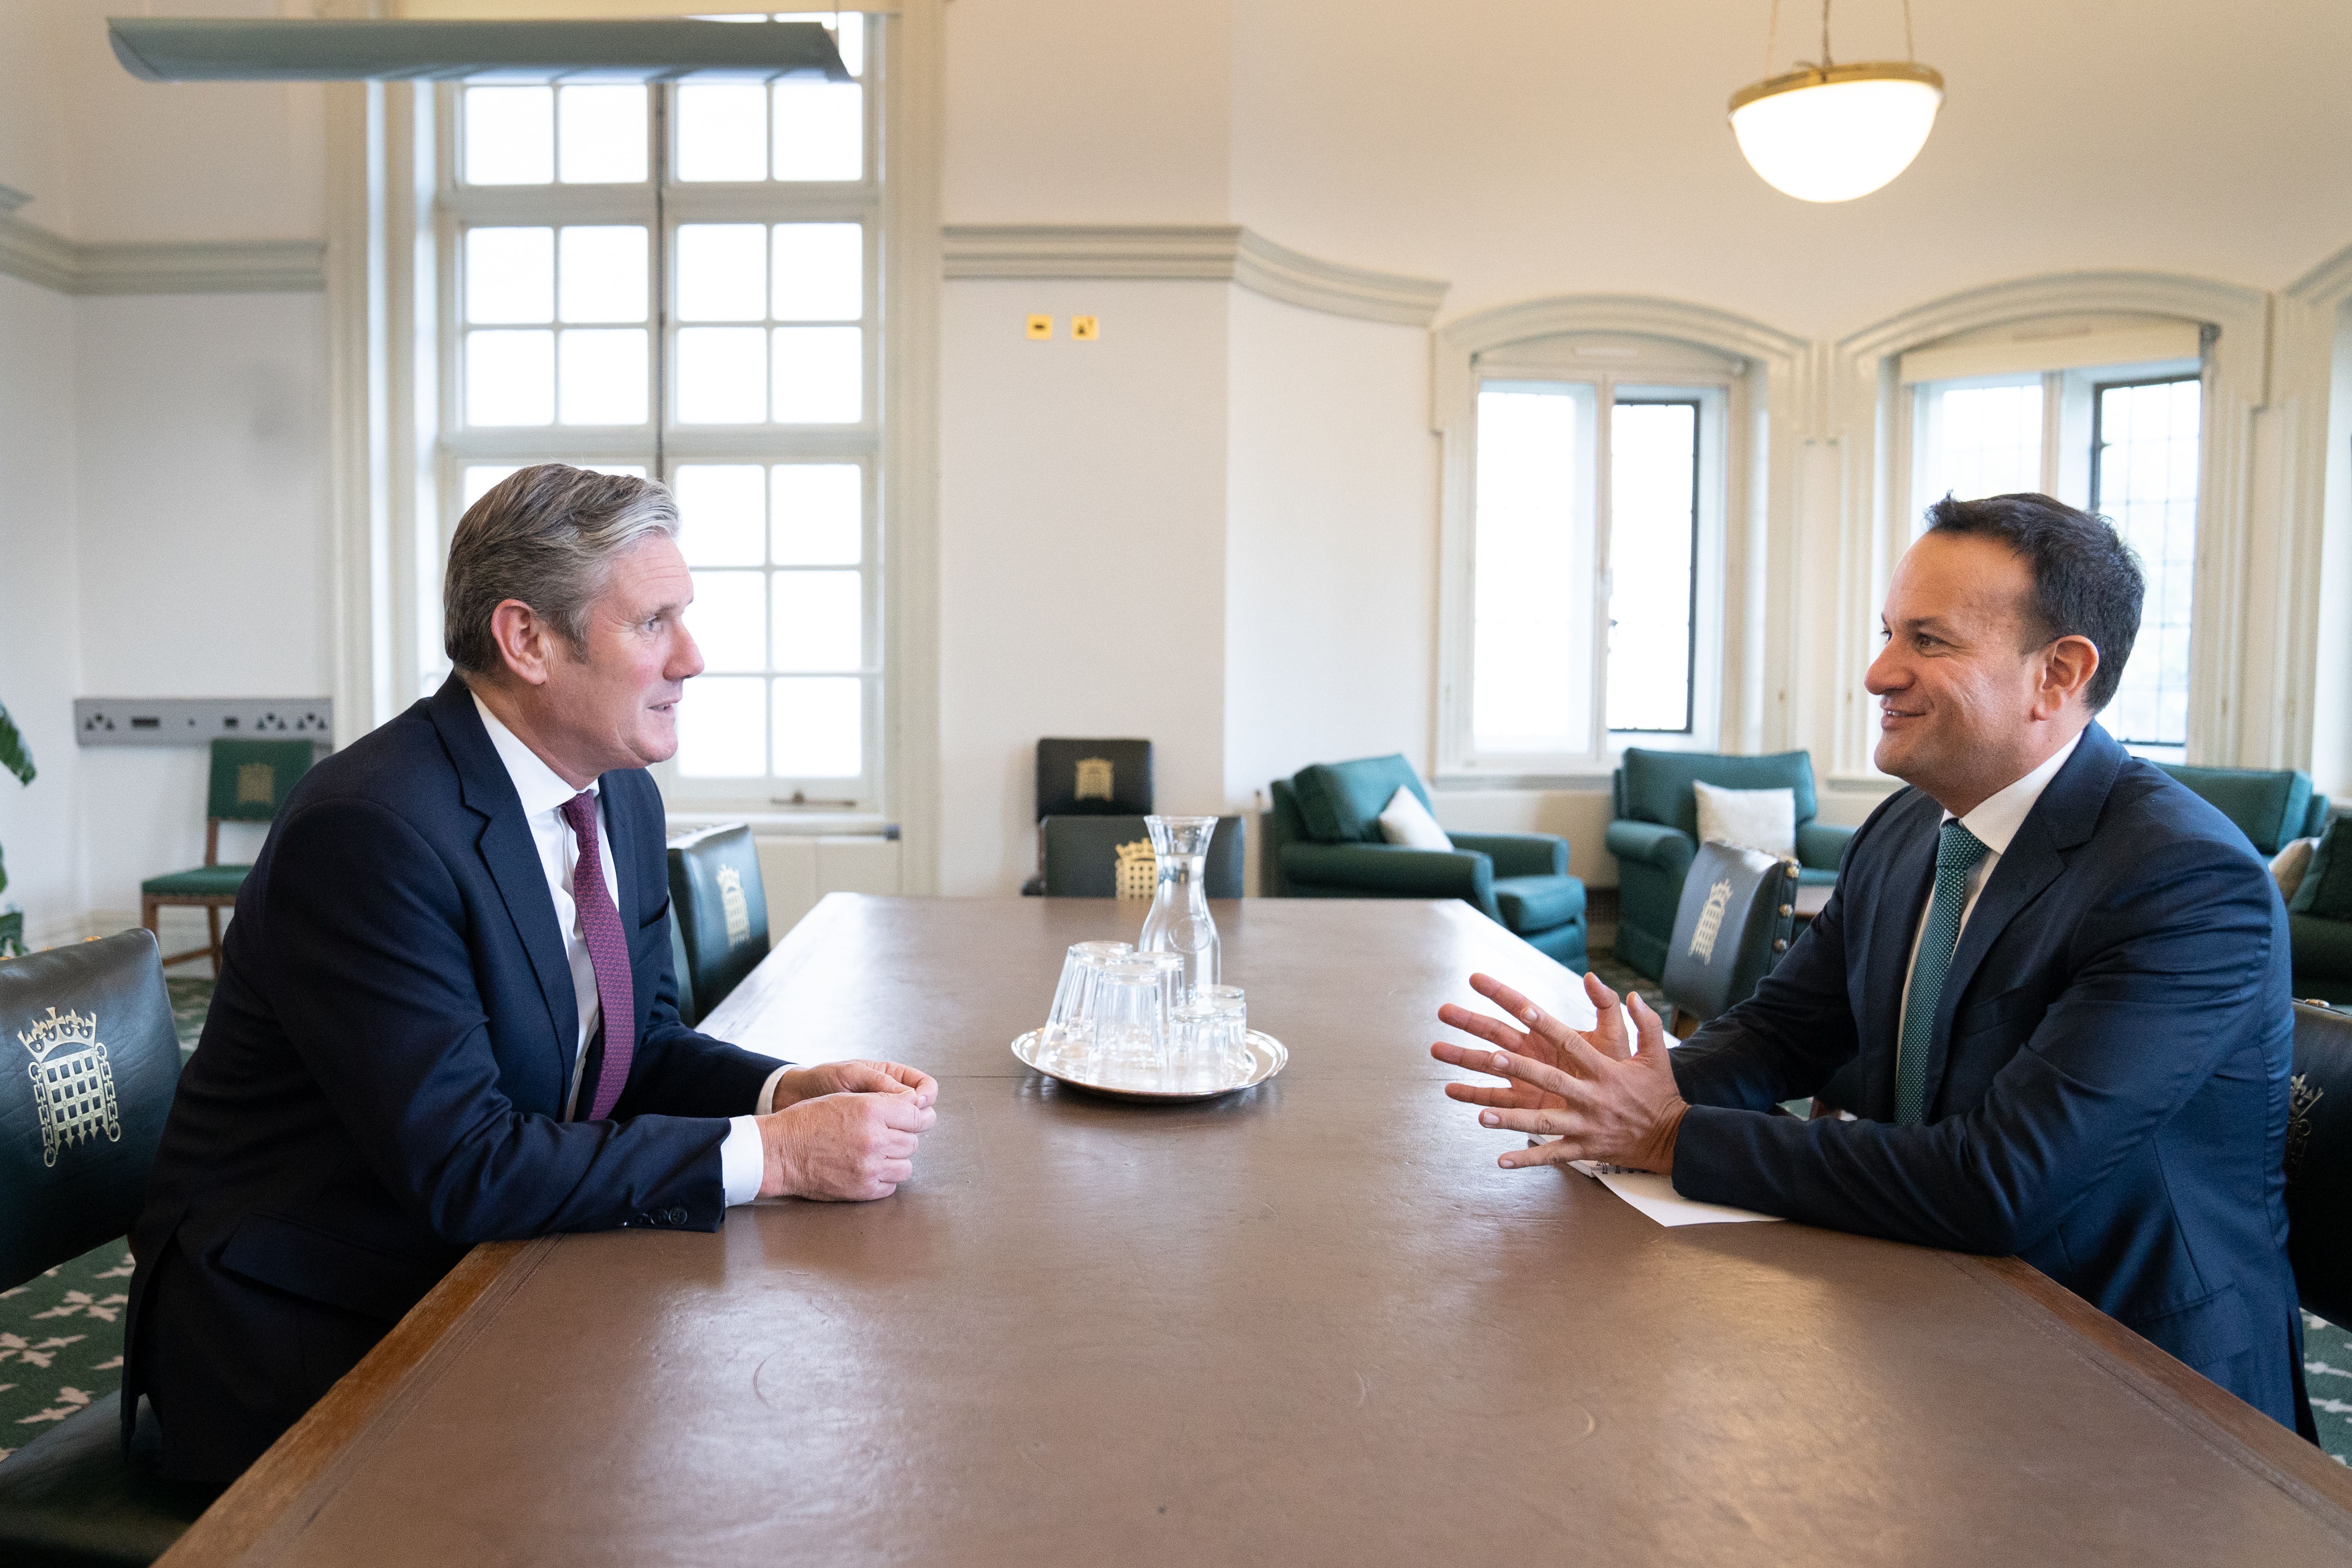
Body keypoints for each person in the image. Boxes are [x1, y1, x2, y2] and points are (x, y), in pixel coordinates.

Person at [124, 464, 940, 1486]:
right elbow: (465, 1166)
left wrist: (784, 1092)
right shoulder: (371, 830)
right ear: (526, 640)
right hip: (307, 1319)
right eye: (654, 623)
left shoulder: (617, 795)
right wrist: (775, 1157)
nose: (694, 658)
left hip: (476, 1264)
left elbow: (638, 1052)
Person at [1433, 492, 2312, 1435]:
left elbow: (1997, 1183)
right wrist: (1617, 1087)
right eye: (1886, 632)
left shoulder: (2184, 882)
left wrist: (1664, 1135)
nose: (1876, 672)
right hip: (1933, 1329)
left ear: (2055, 674)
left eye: (1925, 641)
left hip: (2139, 1394)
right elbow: (1783, 1032)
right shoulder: (1904, 829)